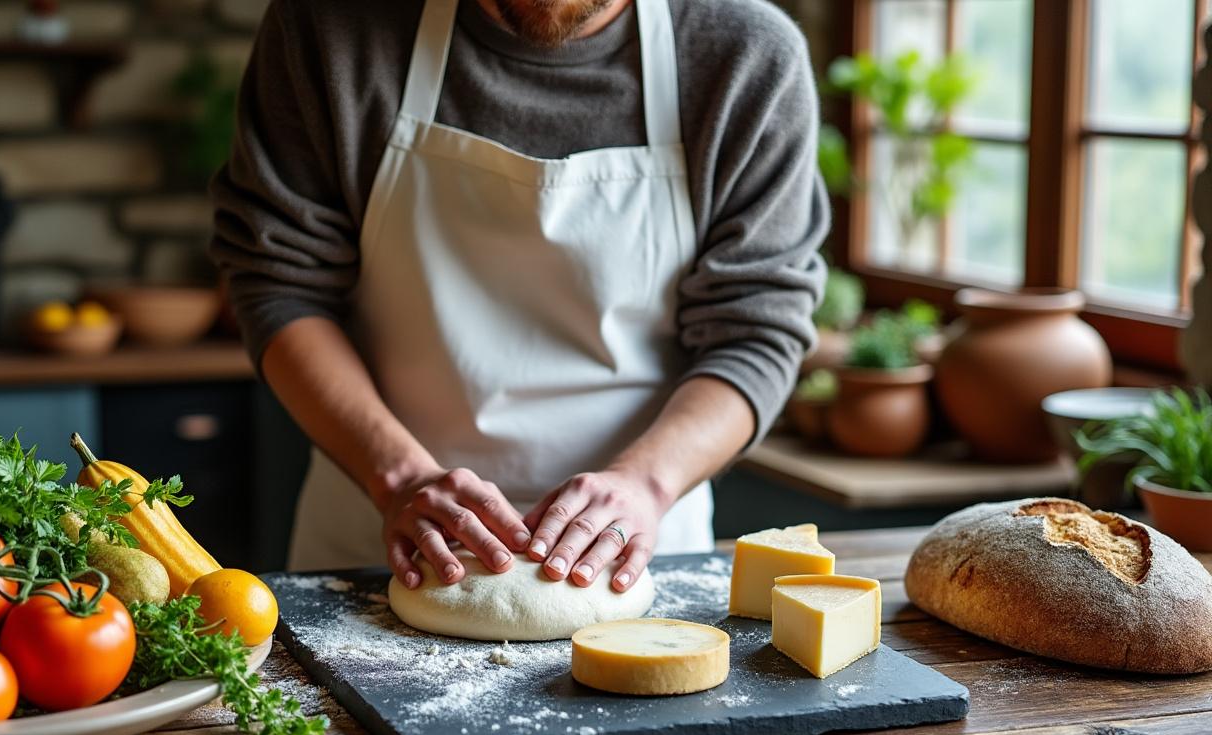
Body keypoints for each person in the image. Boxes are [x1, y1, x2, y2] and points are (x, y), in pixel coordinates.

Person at [211, 0, 828, 593]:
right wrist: (399, 478)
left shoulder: (745, 55)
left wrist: (644, 483)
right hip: (377, 543)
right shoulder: (330, 27)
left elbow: (757, 328)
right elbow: (280, 284)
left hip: (637, 551)